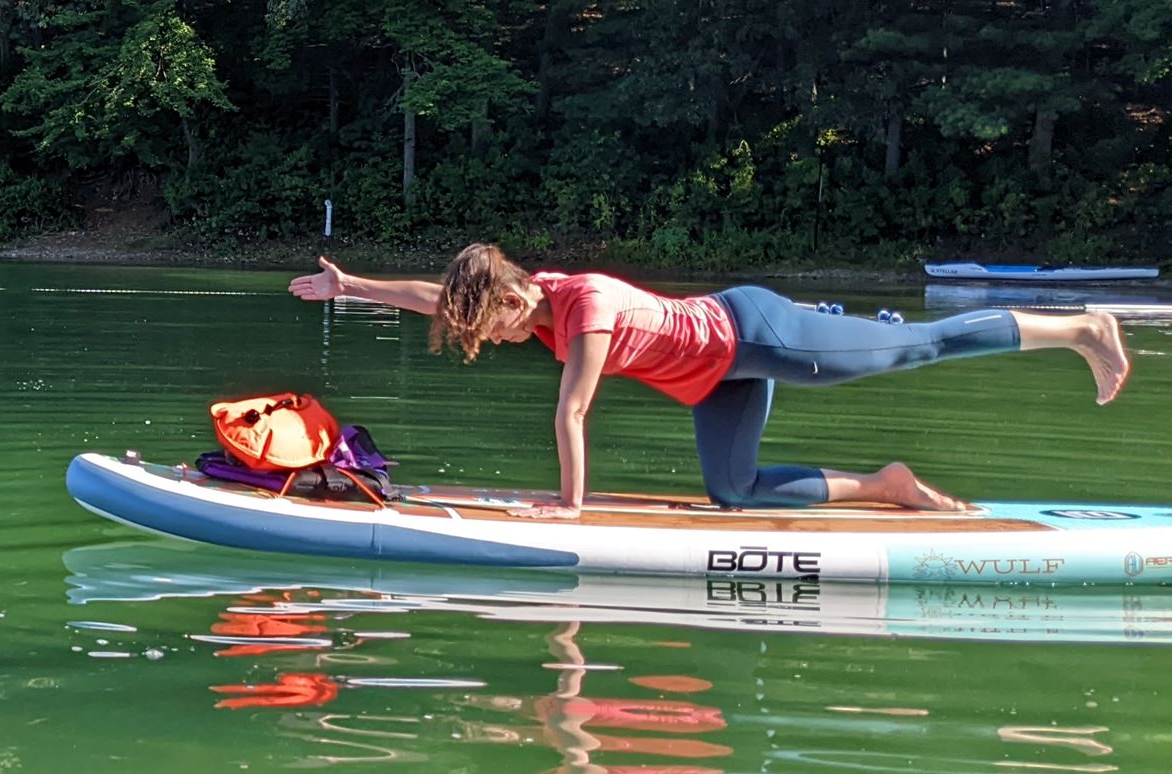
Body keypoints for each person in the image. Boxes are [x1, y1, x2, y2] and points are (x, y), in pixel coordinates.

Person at [289, 244, 1129, 515]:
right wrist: (352, 286)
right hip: (715, 380)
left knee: (918, 346)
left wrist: (570, 512)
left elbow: (573, 414)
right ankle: (887, 485)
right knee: (734, 491)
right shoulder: (526, 303)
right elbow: (434, 296)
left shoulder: (581, 307)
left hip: (759, 334)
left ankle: (1081, 328)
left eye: (494, 322)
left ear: (514, 295)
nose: (498, 337)